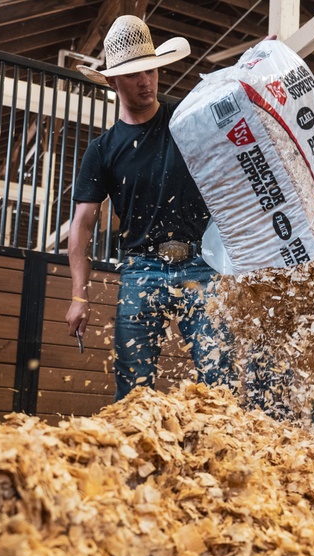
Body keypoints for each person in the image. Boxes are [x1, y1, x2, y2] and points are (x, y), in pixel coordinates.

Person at [65, 15, 231, 401]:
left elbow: (234, 116)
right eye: (135, 74)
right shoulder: (102, 151)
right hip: (141, 269)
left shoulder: (185, 121)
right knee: (133, 388)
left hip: (202, 265)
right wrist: (78, 295)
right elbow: (82, 225)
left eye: (151, 70)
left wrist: (258, 73)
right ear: (112, 80)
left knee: (220, 377)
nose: (147, 81)